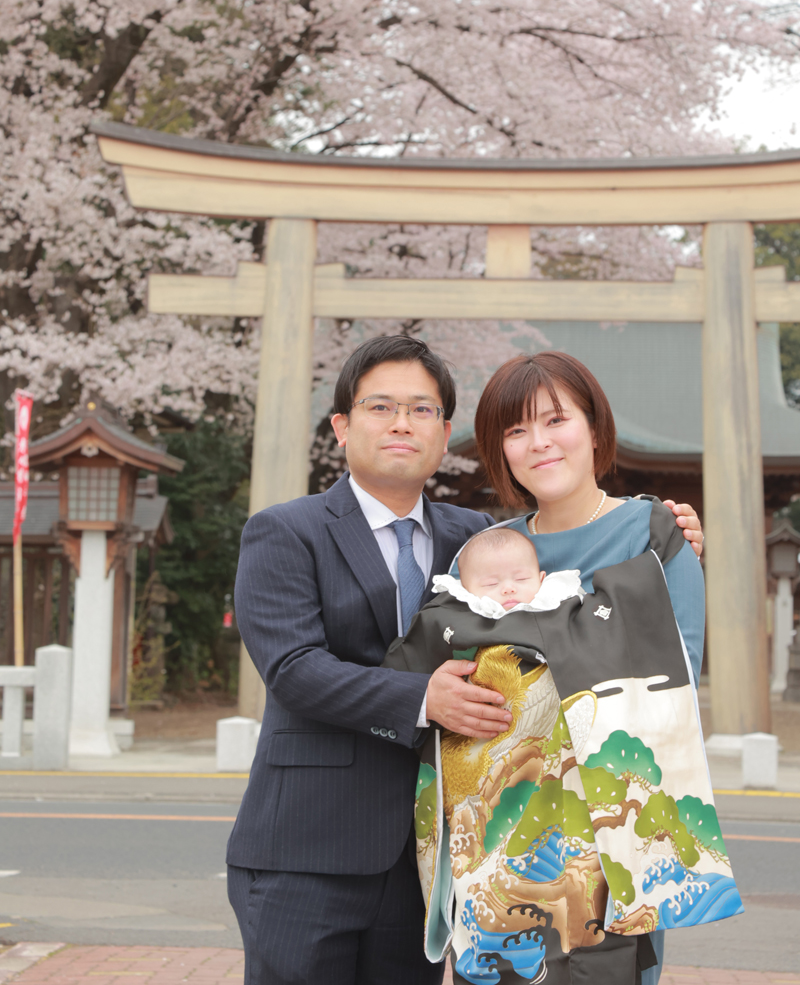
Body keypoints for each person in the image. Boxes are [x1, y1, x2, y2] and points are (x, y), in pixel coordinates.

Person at [226, 335, 705, 985]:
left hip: (536, 848)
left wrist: (670, 536)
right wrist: (426, 699)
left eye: (421, 410)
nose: (402, 424)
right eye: (381, 407)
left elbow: (664, 676)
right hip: (335, 846)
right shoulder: (301, 532)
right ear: (341, 426)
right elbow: (291, 669)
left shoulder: (486, 537)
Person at [383, 523, 739, 984]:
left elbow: (630, 613)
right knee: (492, 930)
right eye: (491, 584)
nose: (507, 590)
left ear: (543, 574)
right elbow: (402, 679)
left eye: (520, 579)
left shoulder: (568, 605)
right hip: (485, 812)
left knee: (592, 924)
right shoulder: (447, 617)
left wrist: (664, 545)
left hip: (577, 804)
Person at [471, 349, 709, 985]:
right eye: (516, 431)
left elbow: (673, 687)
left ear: (596, 429)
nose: (539, 443)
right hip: (502, 838)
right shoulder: (489, 554)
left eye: (555, 420)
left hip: (611, 837)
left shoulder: (653, 533)